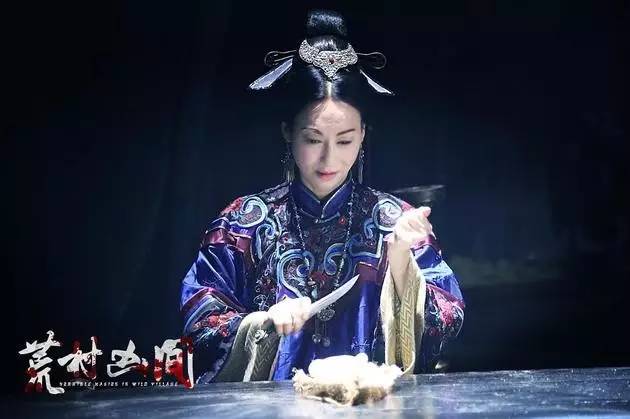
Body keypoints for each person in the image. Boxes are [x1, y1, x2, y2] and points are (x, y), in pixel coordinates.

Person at [180, 9, 464, 384]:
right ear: (287, 131)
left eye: (345, 141)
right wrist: (260, 324)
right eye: (313, 139)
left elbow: (448, 319)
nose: (329, 159)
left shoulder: (396, 222)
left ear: (363, 134)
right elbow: (200, 315)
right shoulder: (242, 223)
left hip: (371, 402)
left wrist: (400, 263)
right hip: (270, 407)